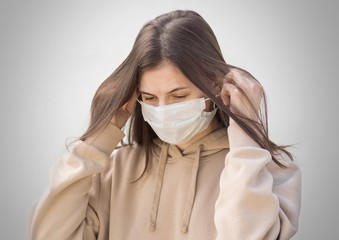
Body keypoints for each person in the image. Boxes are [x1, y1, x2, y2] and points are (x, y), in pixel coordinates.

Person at [29, 10, 301, 240]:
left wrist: (246, 135)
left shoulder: (269, 169)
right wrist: (97, 140)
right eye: (149, 98)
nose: (162, 110)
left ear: (215, 87)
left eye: (179, 96)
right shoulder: (116, 169)